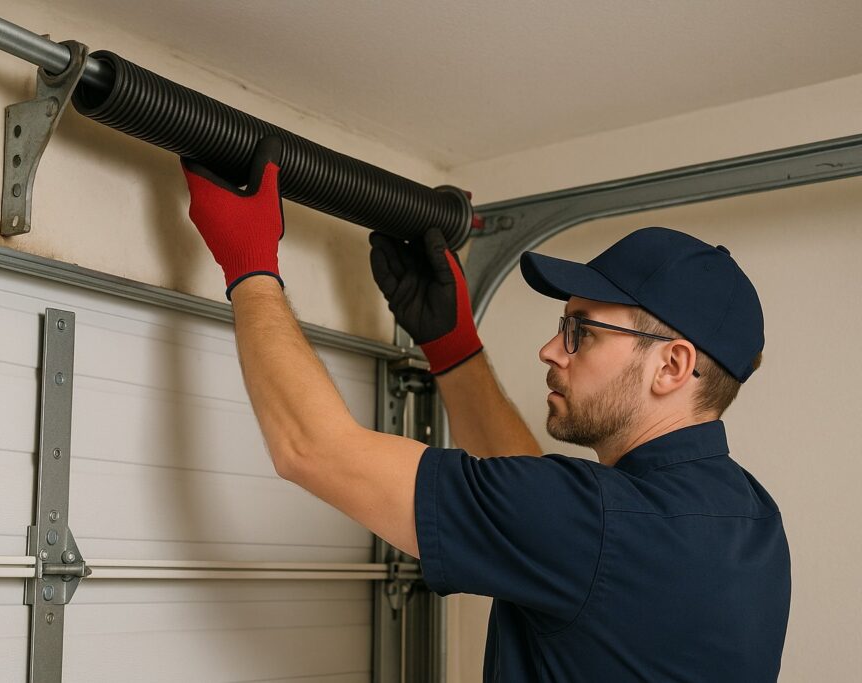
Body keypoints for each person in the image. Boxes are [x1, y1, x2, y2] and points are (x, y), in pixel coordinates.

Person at [180, 137, 791, 682]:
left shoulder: (599, 521)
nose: (551, 349)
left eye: (583, 331)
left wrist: (250, 264)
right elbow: (542, 513)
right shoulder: (752, 519)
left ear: (672, 366)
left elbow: (311, 449)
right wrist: (453, 346)